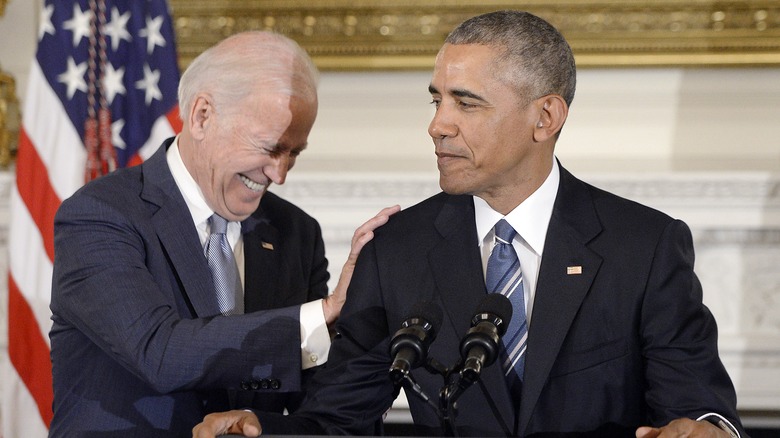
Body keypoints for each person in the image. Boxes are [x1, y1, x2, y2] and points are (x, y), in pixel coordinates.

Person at [193, 11, 747, 438]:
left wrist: (705, 427)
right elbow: (337, 419)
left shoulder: (643, 246)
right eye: (436, 100)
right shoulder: (398, 249)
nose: (437, 125)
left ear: (545, 117)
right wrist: (264, 428)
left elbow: (698, 407)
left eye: (466, 103)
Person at [49, 31, 399, 436]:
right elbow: (158, 352)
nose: (280, 175)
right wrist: (324, 312)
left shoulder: (294, 232)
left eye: (294, 153)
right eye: (270, 147)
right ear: (202, 116)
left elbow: (319, 401)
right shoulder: (100, 215)